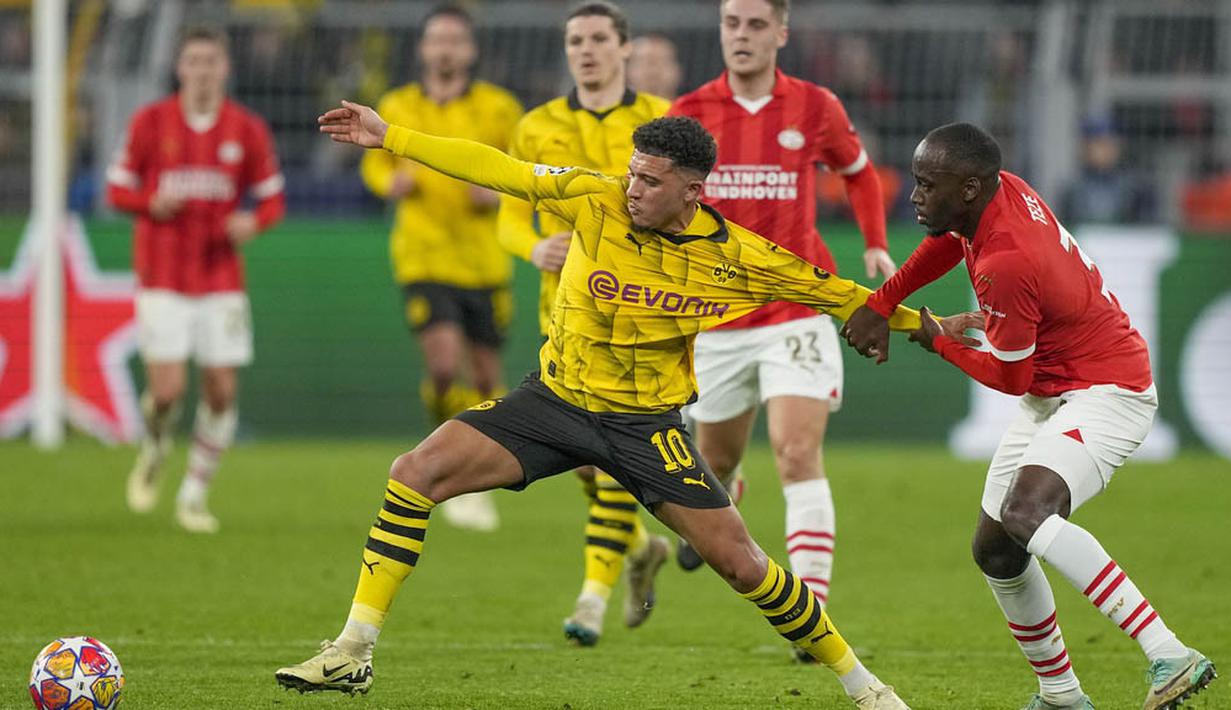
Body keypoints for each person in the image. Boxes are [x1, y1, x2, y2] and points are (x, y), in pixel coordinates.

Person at [276, 102, 946, 709]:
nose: (631, 188)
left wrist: (935, 329)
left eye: (649, 181)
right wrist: (390, 136)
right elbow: (497, 167)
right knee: (413, 472)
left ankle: (866, 688)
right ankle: (352, 653)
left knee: (741, 564)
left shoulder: (739, 256)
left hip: (646, 428)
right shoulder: (592, 200)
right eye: (631, 174)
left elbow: (841, 294)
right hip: (555, 400)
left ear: (692, 190)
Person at [842, 123, 1217, 710]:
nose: (913, 195)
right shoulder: (997, 193)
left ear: (968, 188)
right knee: (996, 549)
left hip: (1107, 392)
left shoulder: (1008, 261)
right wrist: (883, 301)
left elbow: (1009, 377)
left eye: (925, 184)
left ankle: (1168, 652)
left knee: (1025, 511)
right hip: (1055, 391)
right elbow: (948, 241)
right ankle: (1062, 696)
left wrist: (932, 336)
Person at [668, 0, 895, 656]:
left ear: (780, 33)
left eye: (754, 25)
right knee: (712, 460)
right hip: (716, 319)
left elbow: (856, 171)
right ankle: (725, 490)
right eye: (730, 24)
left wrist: (875, 244)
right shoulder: (689, 111)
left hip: (797, 307)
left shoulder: (814, 106)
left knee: (797, 453)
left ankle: (811, 614)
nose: (740, 36)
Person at [496, 1, 672, 646]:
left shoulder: (657, 118)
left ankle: (591, 599)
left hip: (639, 316)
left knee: (613, 459)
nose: (587, 50)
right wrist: (530, 248)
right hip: (562, 313)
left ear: (624, 47)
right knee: (587, 465)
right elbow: (510, 215)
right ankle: (639, 553)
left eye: (599, 38)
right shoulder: (537, 124)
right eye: (576, 40)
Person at [109, 25, 285, 534]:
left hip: (222, 278)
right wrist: (150, 203)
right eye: (193, 61)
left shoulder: (246, 129)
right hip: (162, 276)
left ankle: (193, 494)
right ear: (179, 67)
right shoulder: (150, 122)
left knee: (222, 392)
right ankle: (157, 444)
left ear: (225, 68)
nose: (203, 71)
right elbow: (118, 189)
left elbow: (272, 197)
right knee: (166, 392)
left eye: (211, 61)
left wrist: (253, 221)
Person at [360, 4, 524, 532]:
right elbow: (374, 159)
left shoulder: (499, 108)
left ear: (470, 50)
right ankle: (444, 462)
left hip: (484, 260)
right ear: (424, 49)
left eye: (455, 40)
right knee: (441, 364)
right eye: (437, 40)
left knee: (485, 378)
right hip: (423, 255)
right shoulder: (397, 104)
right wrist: (390, 184)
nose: (446, 49)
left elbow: (523, 170)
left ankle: (469, 476)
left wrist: (497, 192)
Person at [627, 33, 683, 101]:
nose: (653, 70)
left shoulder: (693, 111)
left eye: (662, 60)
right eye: (643, 61)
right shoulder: (615, 110)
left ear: (678, 71)